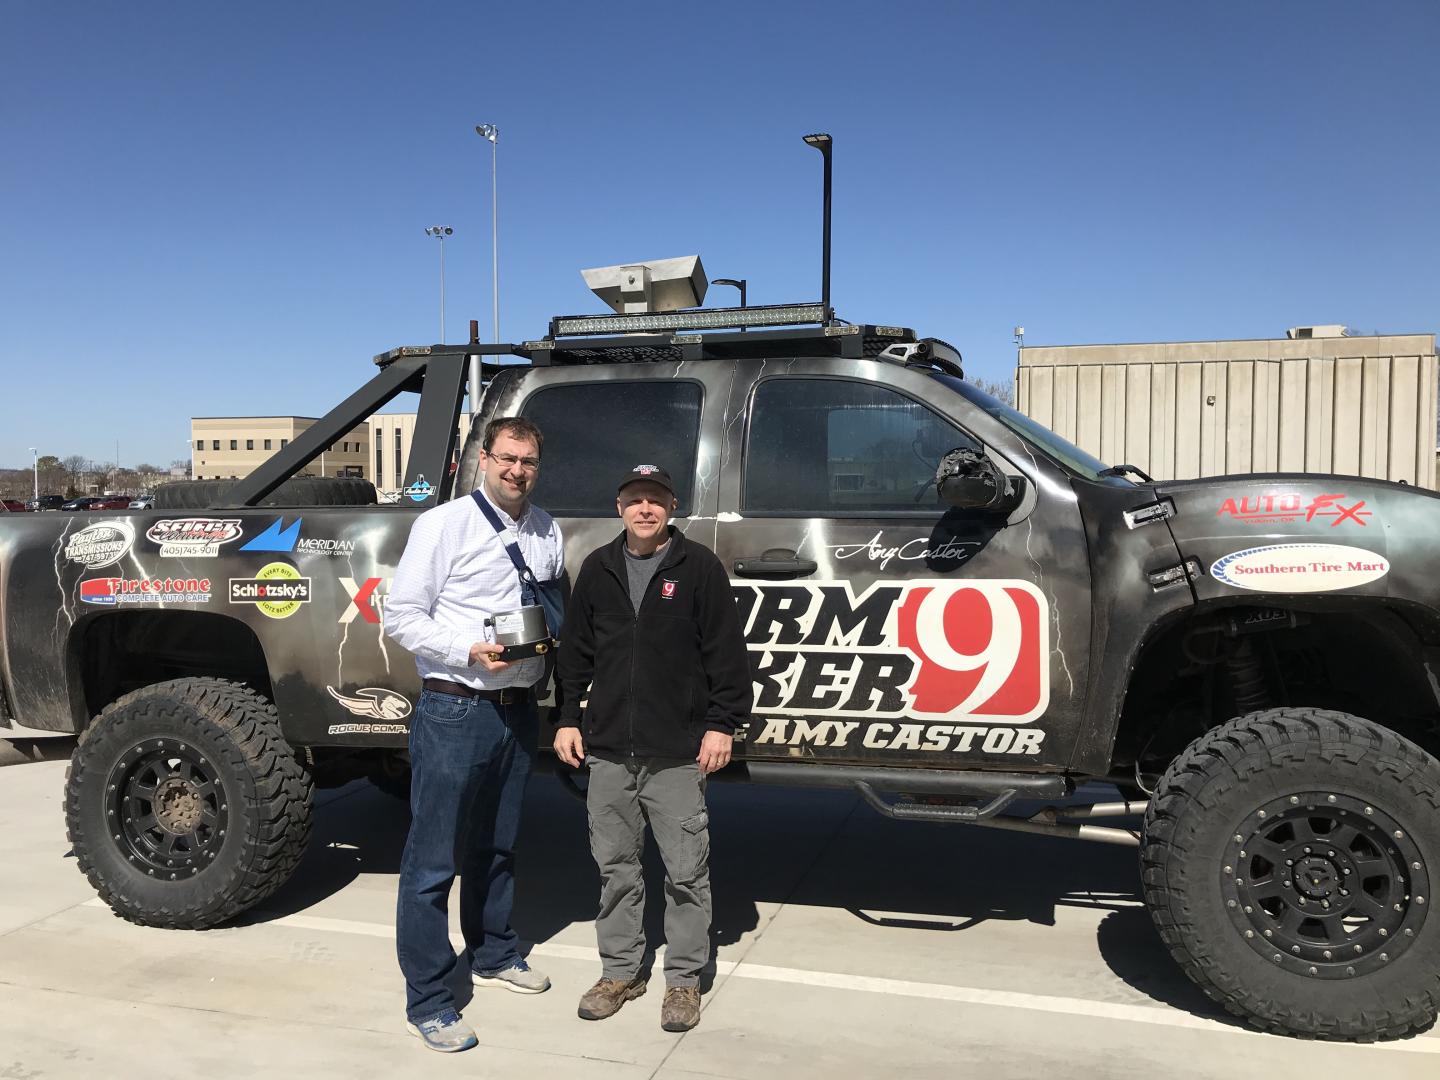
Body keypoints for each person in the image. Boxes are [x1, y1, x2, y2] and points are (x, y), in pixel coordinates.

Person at [384, 417, 563, 1053]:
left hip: (518, 709)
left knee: (499, 845)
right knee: (433, 861)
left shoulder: (545, 527)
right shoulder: (443, 524)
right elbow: (400, 614)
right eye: (508, 458)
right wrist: (466, 650)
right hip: (456, 707)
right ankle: (429, 998)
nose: (518, 470)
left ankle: (492, 953)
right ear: (482, 459)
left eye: (530, 461)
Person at [554, 464, 751, 1033]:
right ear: (619, 507)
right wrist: (568, 719)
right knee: (615, 868)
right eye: (635, 499)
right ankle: (621, 971)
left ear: (671, 507)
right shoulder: (599, 569)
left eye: (656, 500)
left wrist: (722, 724)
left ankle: (684, 980)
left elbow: (726, 655)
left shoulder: (699, 568)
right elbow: (575, 656)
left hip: (676, 750)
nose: (646, 509)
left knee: (686, 872)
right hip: (609, 749)